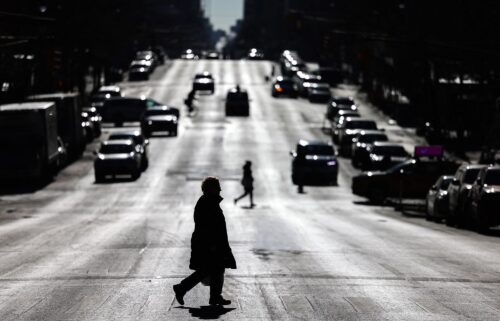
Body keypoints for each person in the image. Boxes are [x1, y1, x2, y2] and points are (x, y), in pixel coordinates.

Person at [173, 177, 237, 306]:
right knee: (212, 269)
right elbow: (206, 226)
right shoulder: (207, 203)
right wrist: (212, 244)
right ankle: (209, 295)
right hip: (209, 244)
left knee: (210, 270)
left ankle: (184, 288)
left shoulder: (208, 201)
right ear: (210, 188)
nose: (220, 189)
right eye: (217, 187)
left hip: (211, 243)